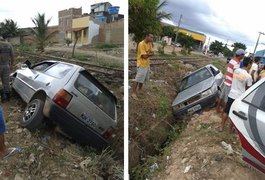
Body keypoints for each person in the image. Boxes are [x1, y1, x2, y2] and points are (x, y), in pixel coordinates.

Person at [219, 57, 253, 132]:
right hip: (239, 98)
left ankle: (221, 127)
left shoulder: (236, 71)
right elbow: (249, 89)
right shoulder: (248, 76)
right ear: (249, 64)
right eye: (251, 64)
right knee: (235, 114)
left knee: (226, 111)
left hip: (231, 94)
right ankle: (230, 129)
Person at [216, 49, 245, 113]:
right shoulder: (237, 63)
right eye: (243, 55)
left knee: (222, 96)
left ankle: (217, 108)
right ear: (240, 55)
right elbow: (236, 74)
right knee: (227, 99)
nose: (244, 56)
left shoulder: (232, 60)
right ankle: (223, 112)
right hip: (230, 83)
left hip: (226, 80)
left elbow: (228, 70)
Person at [131, 33, 154, 100]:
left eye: (152, 37)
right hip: (141, 64)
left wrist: (148, 54)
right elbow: (144, 57)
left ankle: (139, 90)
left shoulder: (149, 44)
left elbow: (153, 53)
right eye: (151, 37)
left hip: (147, 64)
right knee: (137, 79)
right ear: (146, 36)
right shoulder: (141, 44)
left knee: (143, 79)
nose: (152, 39)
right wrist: (150, 54)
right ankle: (133, 93)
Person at [0, 36, 14, 102]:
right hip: (6, 65)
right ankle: (8, 97)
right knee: (6, 82)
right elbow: (12, 56)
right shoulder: (9, 45)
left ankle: (2, 96)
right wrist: (11, 65)